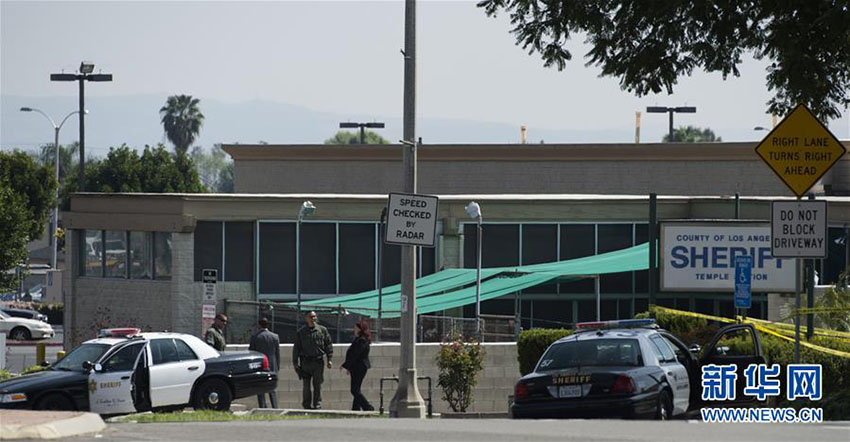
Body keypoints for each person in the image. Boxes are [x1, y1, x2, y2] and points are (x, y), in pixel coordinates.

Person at [292, 310, 333, 409]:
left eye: (314, 316)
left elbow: (328, 345)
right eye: (310, 317)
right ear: (306, 318)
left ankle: (317, 405)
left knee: (317, 385)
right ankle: (306, 405)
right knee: (306, 386)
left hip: (318, 362)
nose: (313, 319)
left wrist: (329, 359)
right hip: (305, 362)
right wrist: (295, 362)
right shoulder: (301, 332)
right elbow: (296, 348)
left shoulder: (322, 330)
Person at [341, 320, 374, 411]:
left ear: (360, 329)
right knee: (356, 389)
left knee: (354, 390)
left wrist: (346, 365)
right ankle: (355, 408)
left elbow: (355, 354)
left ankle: (367, 407)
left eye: (356, 328)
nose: (354, 330)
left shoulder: (362, 340)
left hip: (360, 367)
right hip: (356, 367)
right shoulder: (358, 339)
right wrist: (349, 367)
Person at [249, 317, 280, 408]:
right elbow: (277, 353)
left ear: (259, 325)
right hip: (272, 365)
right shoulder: (275, 337)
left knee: (260, 388)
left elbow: (251, 353)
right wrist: (277, 366)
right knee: (272, 388)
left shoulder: (255, 337)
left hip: (260, 365)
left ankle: (262, 407)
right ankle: (275, 407)